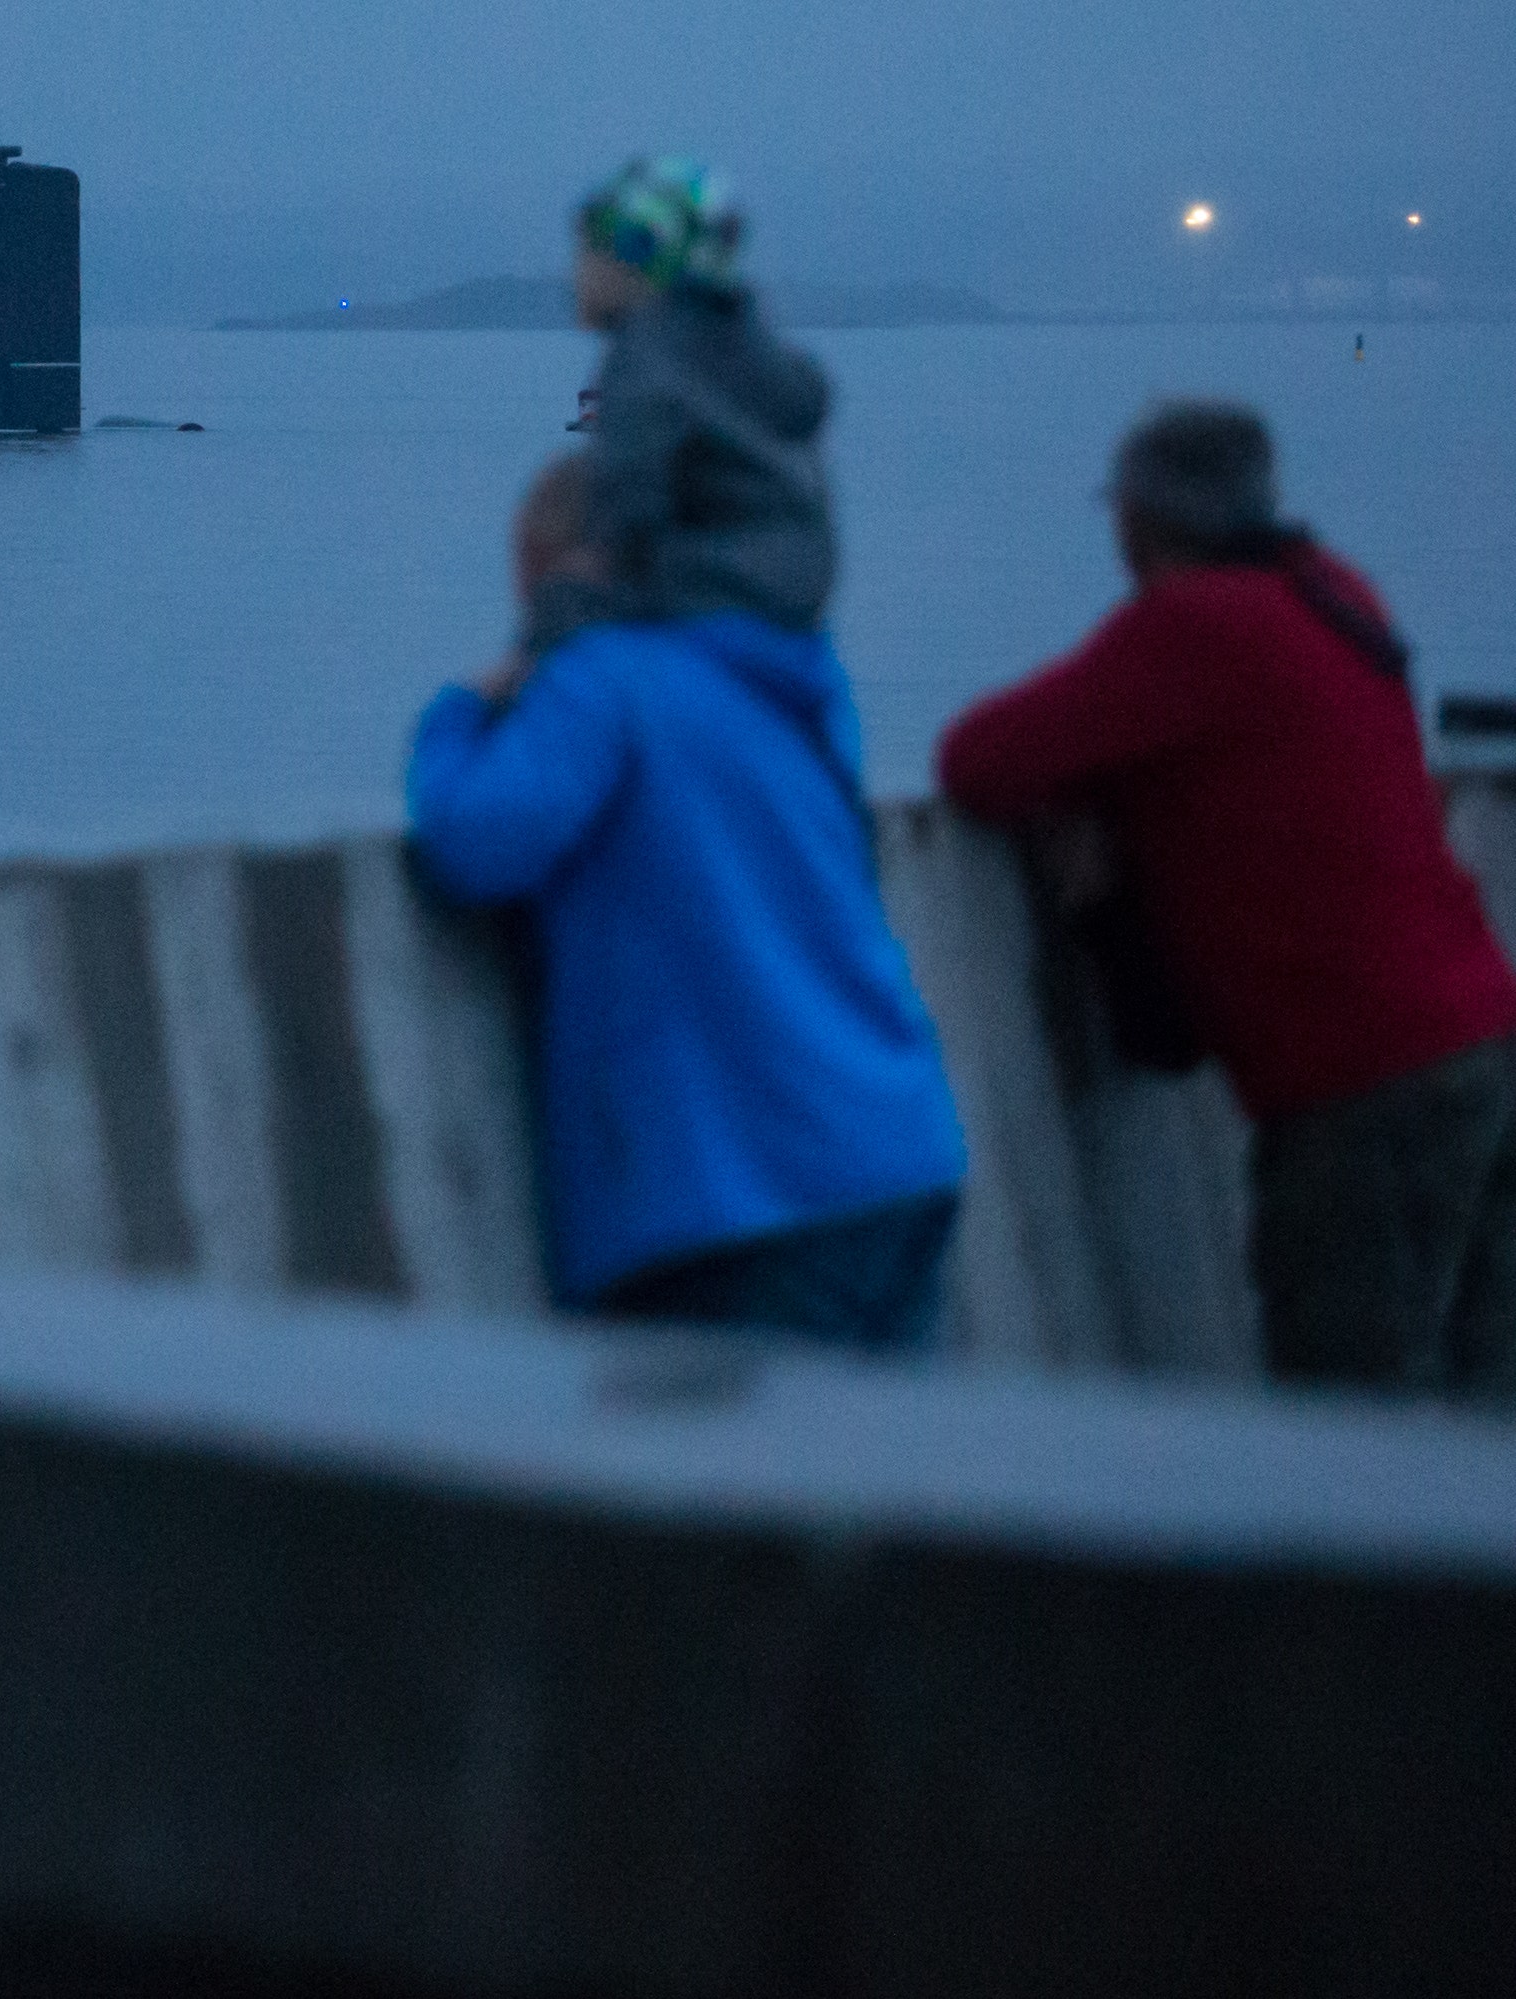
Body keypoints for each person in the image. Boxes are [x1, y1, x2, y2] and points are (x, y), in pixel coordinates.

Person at [936, 402, 1516, 1399]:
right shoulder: (1335, 594)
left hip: (1362, 1082)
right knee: (1481, 1387)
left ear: (1139, 518)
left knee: (1351, 1407)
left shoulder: (1194, 628)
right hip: (1477, 1041)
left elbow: (976, 760)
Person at [409, 453, 972, 1345]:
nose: (529, 618)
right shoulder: (781, 679)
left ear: (579, 569)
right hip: (898, 1156)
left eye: (533, 584)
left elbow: (478, 841)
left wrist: (458, 712)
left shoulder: (602, 678)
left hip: (745, 1194)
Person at [568, 155, 836, 629]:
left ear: (637, 253)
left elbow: (622, 527)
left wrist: (545, 629)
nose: (576, 269)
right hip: (789, 624)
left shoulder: (645, 355)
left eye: (588, 247)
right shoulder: (749, 348)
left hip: (696, 620)